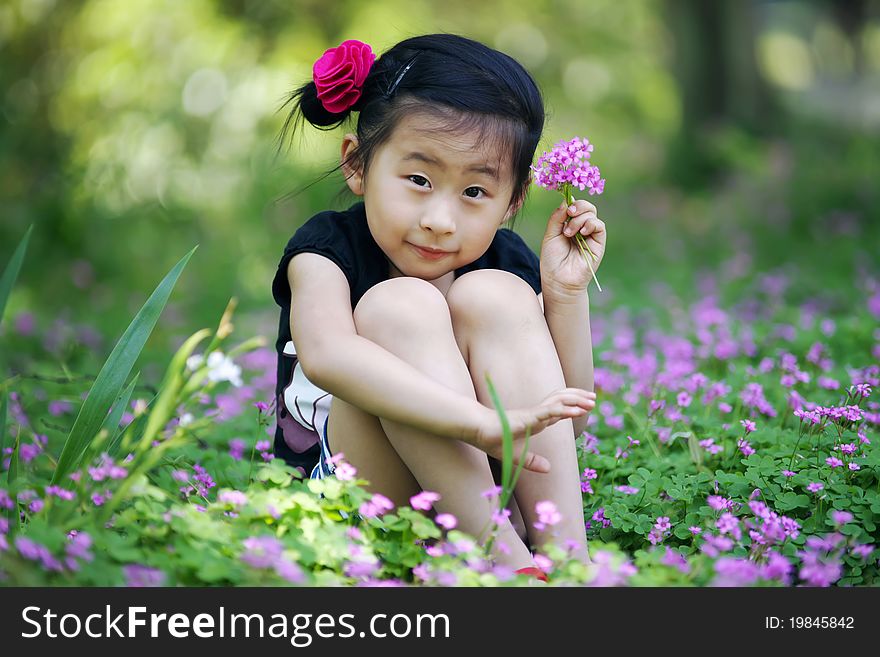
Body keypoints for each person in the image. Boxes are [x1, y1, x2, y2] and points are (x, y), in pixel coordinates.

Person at [271, 34, 606, 575]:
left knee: (495, 292)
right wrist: (474, 423)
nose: (440, 220)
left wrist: (564, 295)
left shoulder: (504, 264)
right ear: (358, 165)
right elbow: (328, 355)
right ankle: (509, 571)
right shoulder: (324, 252)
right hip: (358, 497)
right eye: (419, 180)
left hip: (476, 494)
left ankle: (568, 565)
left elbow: (562, 420)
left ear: (512, 201)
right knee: (397, 306)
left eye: (475, 192)